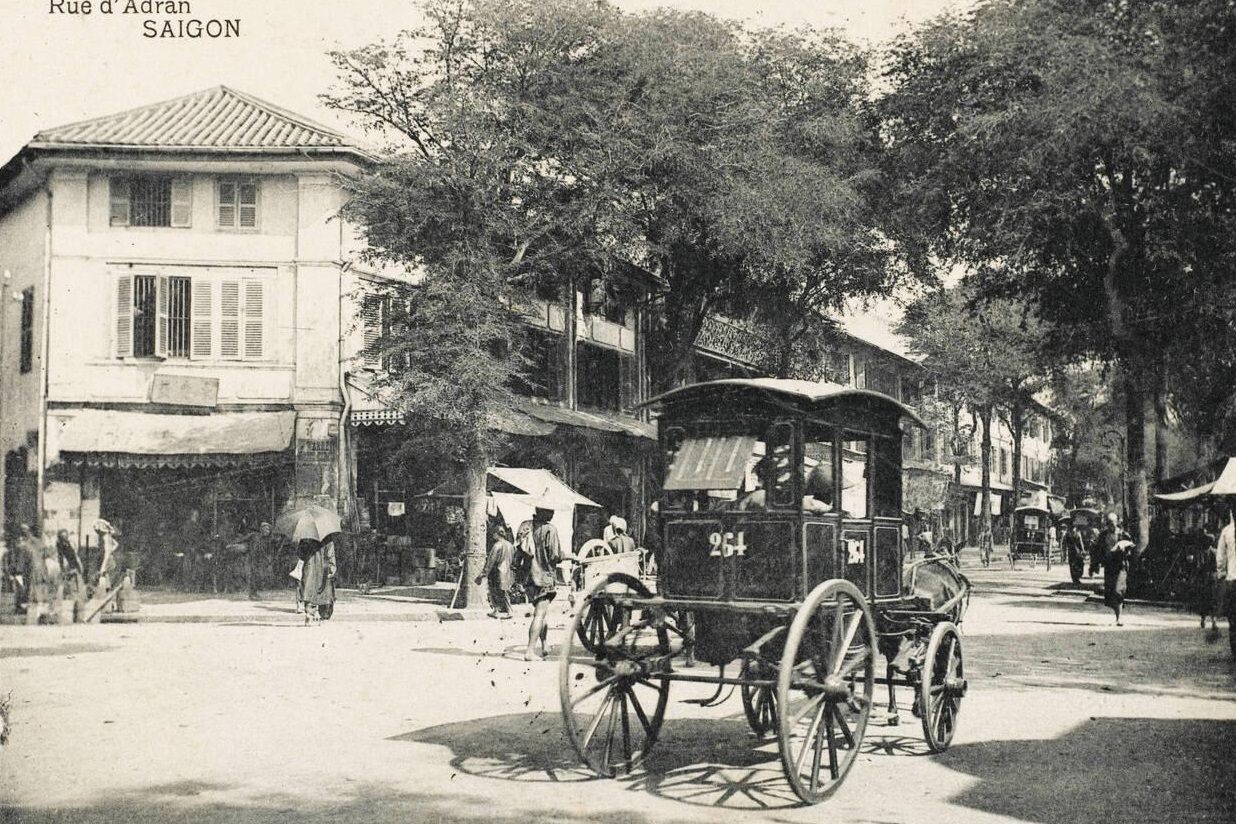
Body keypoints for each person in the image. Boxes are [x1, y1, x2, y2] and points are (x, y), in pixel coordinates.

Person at [520, 506, 562, 661]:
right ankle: (530, 651)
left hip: (528, 576)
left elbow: (519, 549)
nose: (553, 514)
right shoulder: (550, 530)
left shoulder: (525, 525)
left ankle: (544, 645)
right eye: (551, 511)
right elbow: (554, 555)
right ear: (544, 512)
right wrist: (569, 556)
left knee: (542, 612)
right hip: (543, 576)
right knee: (539, 615)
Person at [1100, 512, 1132, 626]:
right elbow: (1098, 549)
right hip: (1109, 566)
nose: (1111, 525)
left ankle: (1119, 618)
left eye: (1112, 523)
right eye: (1108, 523)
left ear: (1117, 522)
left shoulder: (1123, 534)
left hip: (1120, 566)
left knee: (1118, 590)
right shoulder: (1103, 535)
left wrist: (1124, 550)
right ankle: (1117, 616)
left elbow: (1131, 549)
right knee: (1110, 592)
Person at [477, 525, 514, 619]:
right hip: (508, 571)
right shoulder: (510, 545)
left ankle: (498, 610)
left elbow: (490, 561)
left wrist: (484, 573)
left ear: (497, 534)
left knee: (494, 591)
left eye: (494, 534)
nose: (493, 536)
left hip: (497, 571)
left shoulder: (497, 545)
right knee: (504, 592)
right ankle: (508, 611)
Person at [297, 537, 336, 625]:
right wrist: (332, 567)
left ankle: (309, 614)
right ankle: (324, 616)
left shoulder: (305, 538)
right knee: (324, 592)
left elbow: (300, 554)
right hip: (323, 569)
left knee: (309, 590)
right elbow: (330, 555)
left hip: (309, 567)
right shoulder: (327, 539)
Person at [1215, 508, 1236, 655]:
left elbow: (1220, 558)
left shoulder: (1227, 532)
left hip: (1232, 580)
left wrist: (1221, 574)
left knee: (1233, 619)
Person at [1062, 519, 1086, 585]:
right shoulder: (1076, 533)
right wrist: (1083, 550)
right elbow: (1081, 543)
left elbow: (1064, 544)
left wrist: (1064, 553)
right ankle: (1076, 578)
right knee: (1077, 564)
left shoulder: (1068, 533)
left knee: (1075, 565)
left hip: (1072, 551)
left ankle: (1075, 578)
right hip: (1076, 551)